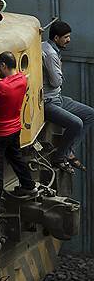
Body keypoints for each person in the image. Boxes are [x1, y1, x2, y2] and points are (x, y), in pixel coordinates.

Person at [0, 52, 36, 221]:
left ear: (3, 65)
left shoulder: (0, 88)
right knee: (16, 158)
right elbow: (4, 91)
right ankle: (29, 185)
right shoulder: (22, 80)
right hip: (15, 129)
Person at [42, 20, 94, 171]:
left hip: (58, 98)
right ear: (56, 38)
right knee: (76, 123)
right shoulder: (51, 54)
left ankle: (69, 152)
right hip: (49, 102)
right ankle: (59, 157)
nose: (68, 40)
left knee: (90, 114)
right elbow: (56, 81)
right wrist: (60, 70)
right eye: (65, 37)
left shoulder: (47, 45)